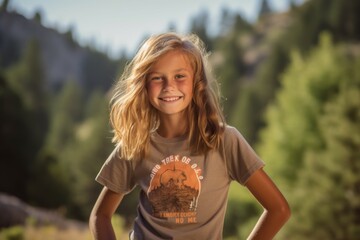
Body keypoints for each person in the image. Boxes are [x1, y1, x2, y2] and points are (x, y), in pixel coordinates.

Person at [89, 32, 290, 240]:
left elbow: (279, 209)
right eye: (157, 78)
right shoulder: (135, 144)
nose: (169, 87)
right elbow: (100, 215)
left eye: (179, 76)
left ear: (197, 82)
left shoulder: (224, 140)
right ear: (144, 84)